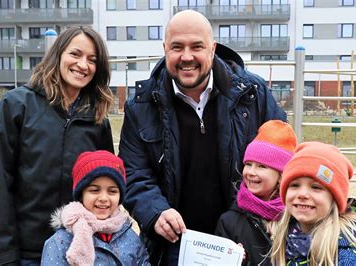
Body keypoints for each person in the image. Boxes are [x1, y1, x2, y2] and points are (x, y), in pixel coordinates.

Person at [118, 10, 287, 265]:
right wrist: (155, 212)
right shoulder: (141, 106)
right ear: (165, 49)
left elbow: (283, 161)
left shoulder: (253, 94)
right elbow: (133, 173)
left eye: (197, 46)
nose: (187, 57)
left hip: (245, 237)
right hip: (173, 244)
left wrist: (252, 217)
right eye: (177, 47)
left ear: (212, 48)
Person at [0, 26, 115, 265]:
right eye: (75, 54)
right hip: (27, 254)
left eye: (92, 59)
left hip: (78, 252)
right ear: (58, 55)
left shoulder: (98, 119)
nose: (83, 65)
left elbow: (106, 187)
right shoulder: (16, 106)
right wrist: (4, 256)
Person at [270, 142, 356, 265]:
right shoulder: (284, 238)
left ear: (335, 198)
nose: (302, 194)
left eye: (316, 187)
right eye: (295, 185)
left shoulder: (351, 257)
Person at [41, 150, 150, 265]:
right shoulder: (60, 242)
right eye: (94, 190)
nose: (103, 198)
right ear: (81, 194)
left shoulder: (130, 237)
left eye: (112, 191)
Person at [215, 120, 297, 266]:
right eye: (248, 164)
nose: (251, 172)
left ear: (281, 176)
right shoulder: (229, 222)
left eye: (261, 166)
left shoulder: (297, 218)